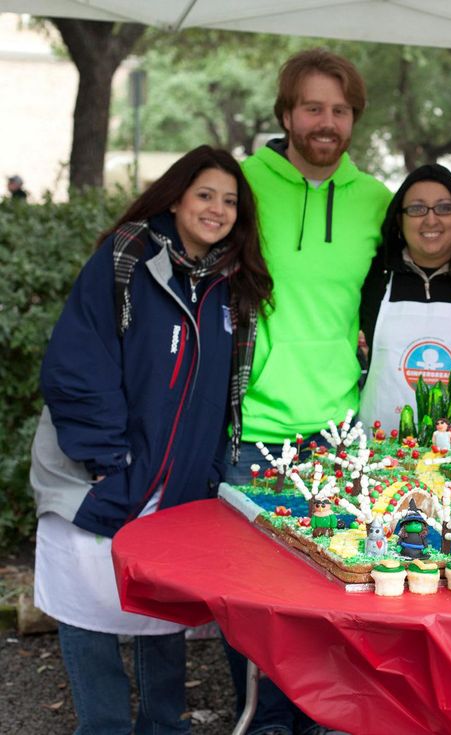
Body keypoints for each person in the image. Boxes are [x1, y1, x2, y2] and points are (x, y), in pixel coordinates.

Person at [30, 145, 271, 735]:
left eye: (230, 201)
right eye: (205, 195)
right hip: (97, 471)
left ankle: (164, 726)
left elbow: (223, 396)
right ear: (178, 197)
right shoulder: (128, 257)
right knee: (87, 612)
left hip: (179, 483)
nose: (217, 209)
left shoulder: (230, 284)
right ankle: (104, 727)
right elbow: (77, 365)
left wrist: (208, 471)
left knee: (160, 615)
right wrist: (108, 460)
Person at [221, 48, 390, 735]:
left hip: (339, 434)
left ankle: (323, 720)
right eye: (313, 107)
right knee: (253, 599)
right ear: (286, 113)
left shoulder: (377, 199)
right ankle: (262, 723)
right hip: (252, 430)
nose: (327, 122)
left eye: (341, 110)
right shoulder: (241, 184)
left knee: (330, 592)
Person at [359, 164, 451, 429]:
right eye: (417, 209)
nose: (431, 220)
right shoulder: (374, 278)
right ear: (399, 219)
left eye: (443, 208)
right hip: (379, 456)